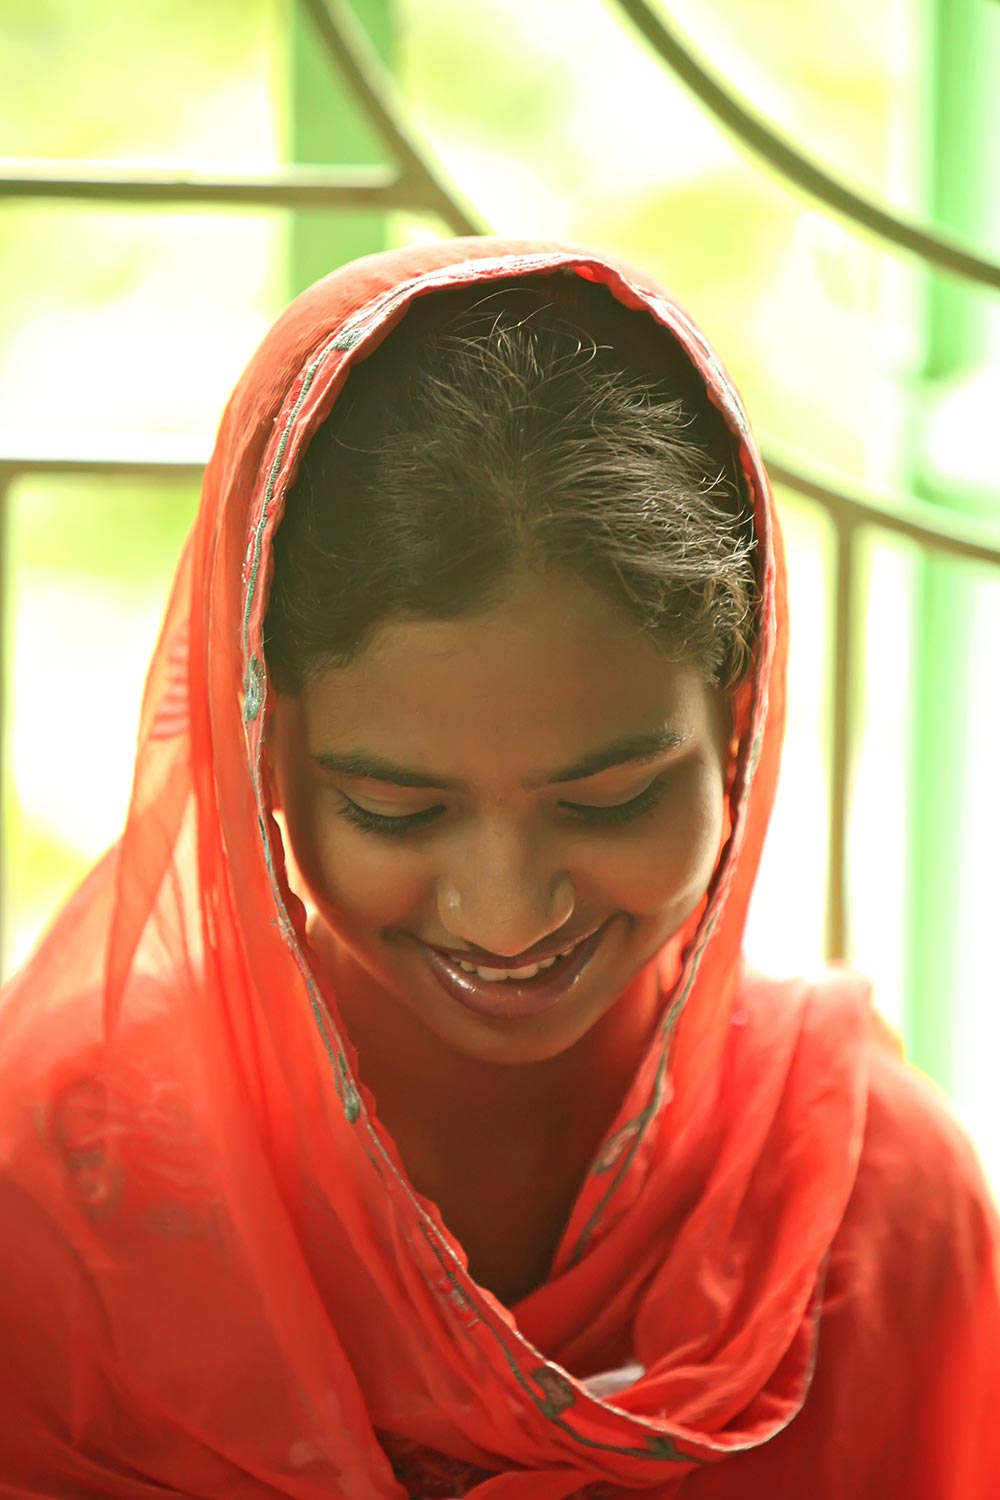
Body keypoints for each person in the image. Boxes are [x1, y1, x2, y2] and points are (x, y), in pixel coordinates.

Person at [0, 236, 996, 1499]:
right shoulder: (61, 1198)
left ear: (738, 724)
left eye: (612, 798)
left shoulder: (874, 1213)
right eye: (396, 812)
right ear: (263, 748)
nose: (507, 913)